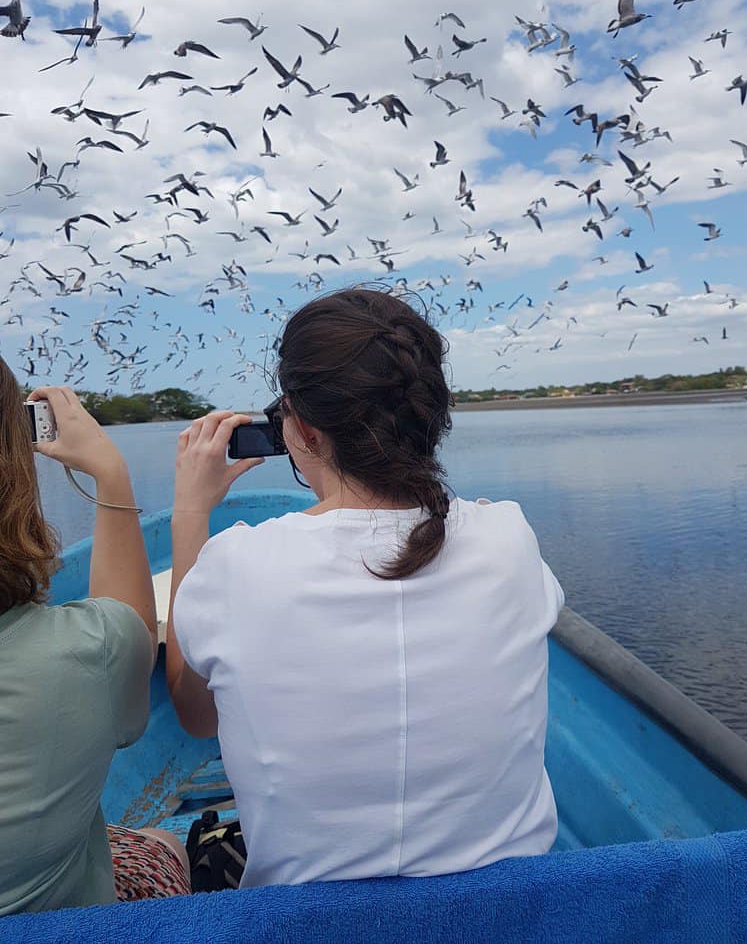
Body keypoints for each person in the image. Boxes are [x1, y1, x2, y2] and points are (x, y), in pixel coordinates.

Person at [169, 287, 565, 888]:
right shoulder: (509, 537)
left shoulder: (238, 563)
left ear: (302, 430)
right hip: (508, 905)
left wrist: (189, 513)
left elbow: (197, 717)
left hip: (310, 919)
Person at [0, 363, 191, 917]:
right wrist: (109, 472)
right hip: (61, 923)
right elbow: (126, 626)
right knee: (162, 846)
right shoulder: (83, 655)